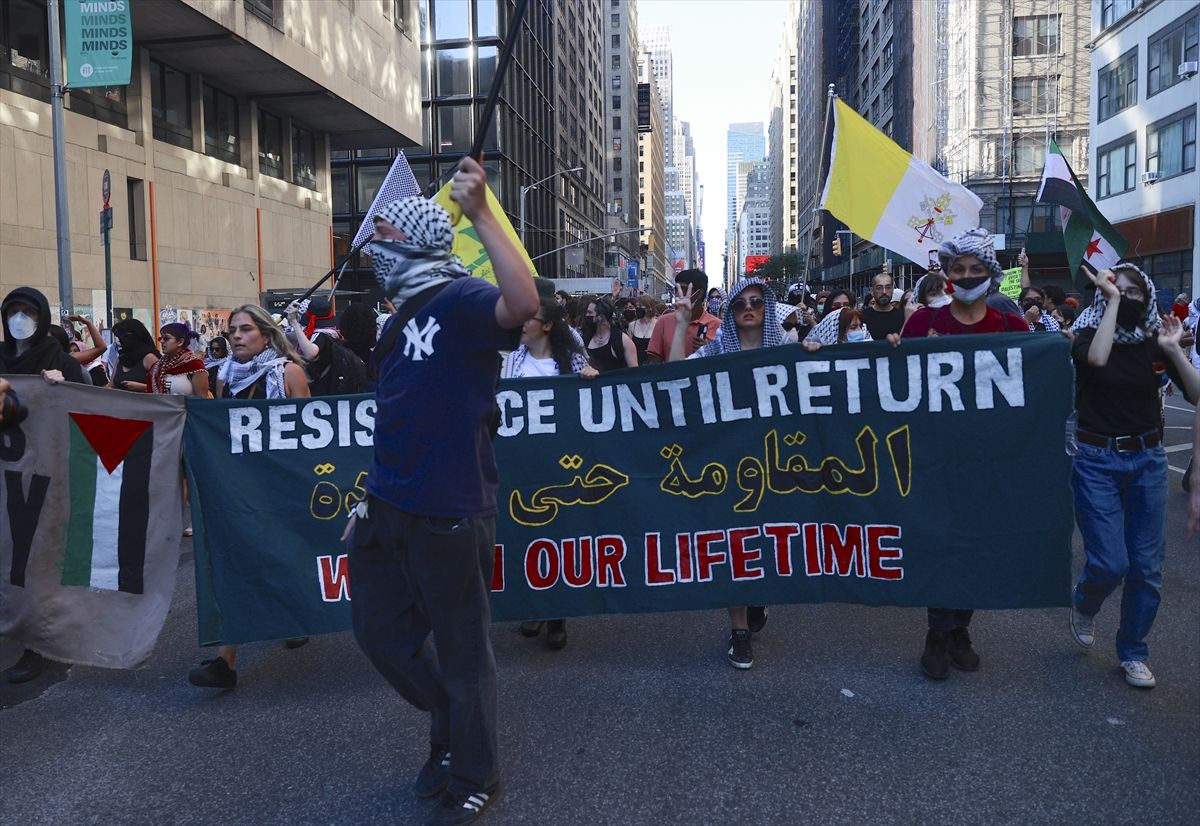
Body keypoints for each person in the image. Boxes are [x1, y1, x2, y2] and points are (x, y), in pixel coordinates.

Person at [344, 157, 538, 826]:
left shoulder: (461, 302)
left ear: (424, 242)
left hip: (451, 509)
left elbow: (525, 303)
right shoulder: (397, 318)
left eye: (389, 237)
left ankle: (473, 766)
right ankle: (453, 721)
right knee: (379, 632)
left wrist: (481, 211)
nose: (377, 250)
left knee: (462, 650)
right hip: (386, 505)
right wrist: (368, 498)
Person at [899, 229, 1028, 680]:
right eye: (959, 269)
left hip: (990, 460)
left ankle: (960, 630)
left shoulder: (1012, 327)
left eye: (976, 269)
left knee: (977, 545)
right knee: (943, 543)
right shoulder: (919, 325)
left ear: (990, 275)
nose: (967, 276)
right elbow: (897, 386)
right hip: (936, 458)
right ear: (947, 275)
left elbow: (1031, 386)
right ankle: (936, 633)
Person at [1067, 264, 1199, 689]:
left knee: (1146, 568)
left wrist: (1174, 349)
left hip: (1147, 461)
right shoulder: (1087, 333)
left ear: (1147, 297)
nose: (1125, 297)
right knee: (1109, 562)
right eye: (1114, 290)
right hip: (1096, 459)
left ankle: (1133, 651)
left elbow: (1196, 394)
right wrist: (1112, 302)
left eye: (1133, 292)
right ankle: (1086, 602)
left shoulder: (1154, 343)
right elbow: (1098, 358)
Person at [187, 304, 310, 692]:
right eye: (232, 330)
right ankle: (226, 661)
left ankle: (295, 617)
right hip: (241, 486)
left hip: (280, 485)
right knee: (238, 561)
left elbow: (309, 434)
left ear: (266, 334)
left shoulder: (289, 372)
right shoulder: (224, 375)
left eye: (245, 329)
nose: (236, 336)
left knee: (280, 557)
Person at [669, 276, 782, 669]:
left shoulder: (787, 352)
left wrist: (813, 350)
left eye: (756, 302)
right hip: (728, 466)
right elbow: (672, 380)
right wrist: (682, 323)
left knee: (767, 544)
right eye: (739, 304)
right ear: (731, 313)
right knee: (734, 546)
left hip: (777, 466)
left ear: (766, 309)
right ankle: (739, 633)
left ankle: (758, 598)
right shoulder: (716, 352)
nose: (748, 308)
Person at [0, 287, 88, 684]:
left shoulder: (60, 362)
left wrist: (66, 387)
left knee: (38, 563)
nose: (19, 319)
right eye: (12, 311)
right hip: (7, 476)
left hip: (47, 477)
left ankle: (39, 645)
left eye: (27, 312)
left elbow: (91, 407)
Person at [506, 294, 597, 651]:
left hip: (562, 466)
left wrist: (591, 377)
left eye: (528, 317)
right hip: (522, 464)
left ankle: (558, 613)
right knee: (525, 535)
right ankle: (535, 606)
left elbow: (590, 405)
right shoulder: (511, 360)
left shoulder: (573, 361)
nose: (521, 322)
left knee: (560, 535)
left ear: (546, 325)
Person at [644, 269, 719, 363]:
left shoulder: (718, 326)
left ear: (700, 293)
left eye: (684, 289)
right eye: (676, 289)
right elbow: (654, 363)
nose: (678, 294)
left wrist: (709, 351)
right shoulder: (663, 322)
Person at [149, 323, 211, 397]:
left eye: (166, 338)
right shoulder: (158, 366)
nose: (162, 341)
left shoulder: (194, 365)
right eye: (160, 338)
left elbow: (202, 400)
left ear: (180, 342)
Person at [582, 296, 638, 373]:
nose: (587, 315)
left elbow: (634, 373)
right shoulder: (585, 339)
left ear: (600, 316)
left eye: (590, 313)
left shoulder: (623, 341)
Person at [109, 319, 159, 392]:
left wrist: (142, 387)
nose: (120, 340)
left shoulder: (149, 358)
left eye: (123, 336)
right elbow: (111, 385)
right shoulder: (122, 358)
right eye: (118, 337)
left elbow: (162, 387)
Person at [802, 306, 872, 350]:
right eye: (853, 327)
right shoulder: (816, 348)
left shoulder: (869, 348)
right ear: (837, 331)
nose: (860, 331)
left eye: (860, 326)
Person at [861, 271, 905, 339]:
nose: (884, 292)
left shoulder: (903, 316)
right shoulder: (861, 317)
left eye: (888, 287)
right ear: (872, 291)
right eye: (879, 288)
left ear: (892, 290)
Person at [627, 294, 658, 363]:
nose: (638, 308)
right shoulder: (632, 325)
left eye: (640, 306)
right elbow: (629, 349)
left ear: (649, 308)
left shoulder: (658, 324)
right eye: (637, 306)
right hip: (637, 364)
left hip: (654, 365)